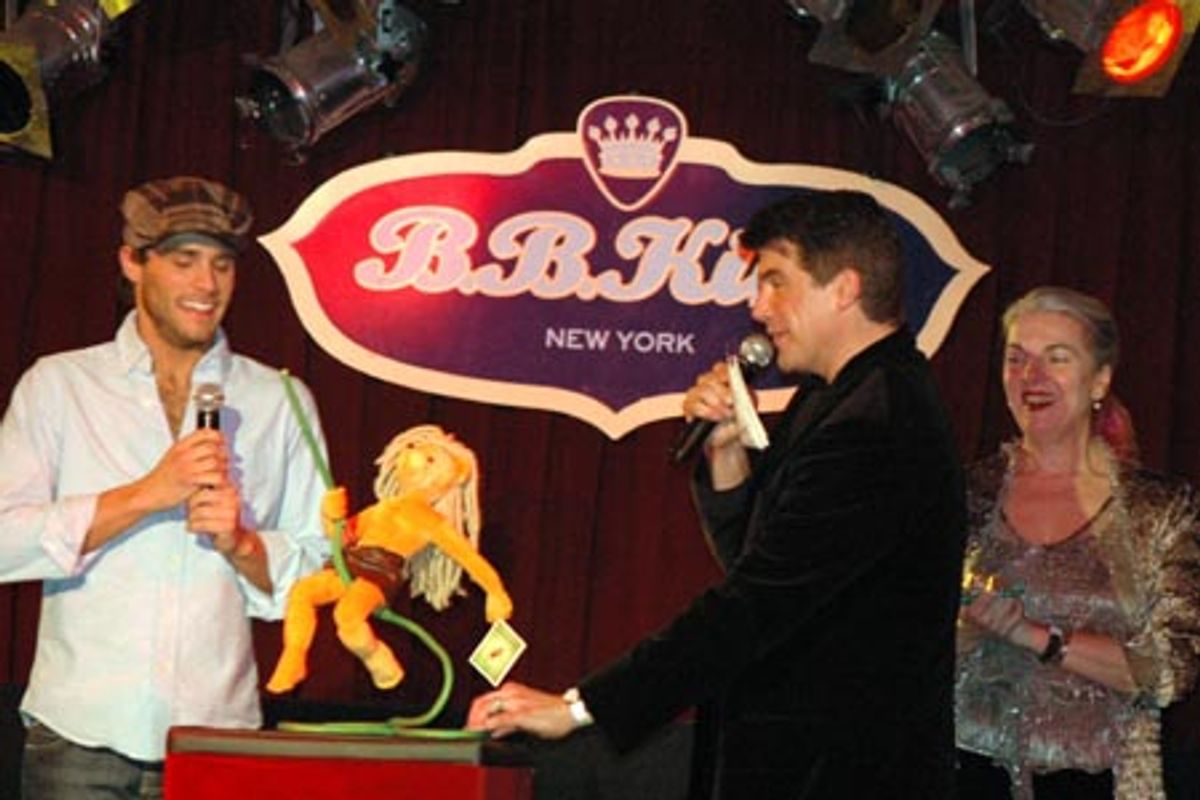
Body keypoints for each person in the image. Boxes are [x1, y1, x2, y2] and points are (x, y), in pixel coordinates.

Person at [466, 190, 967, 798]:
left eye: (777, 281)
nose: (759, 307)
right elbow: (764, 565)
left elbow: (758, 602)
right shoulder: (836, 398)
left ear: (845, 289)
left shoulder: (877, 420)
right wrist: (727, 455)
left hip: (846, 770)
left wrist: (577, 707)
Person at [0, 176, 330, 800]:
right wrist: (148, 493)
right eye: (184, 262)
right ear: (132, 262)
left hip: (217, 739)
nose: (207, 286)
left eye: (222, 265)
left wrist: (242, 544)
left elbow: (317, 572)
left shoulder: (279, 399)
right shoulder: (59, 386)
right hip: (79, 735)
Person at [954, 286, 1200, 800]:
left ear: (1100, 379)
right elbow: (904, 643)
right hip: (967, 772)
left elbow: (1170, 670)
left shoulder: (1159, 509)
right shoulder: (963, 497)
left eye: (1056, 358)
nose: (1031, 377)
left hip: (1100, 783)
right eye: (1016, 358)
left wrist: (1040, 637)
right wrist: (970, 632)